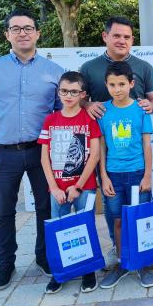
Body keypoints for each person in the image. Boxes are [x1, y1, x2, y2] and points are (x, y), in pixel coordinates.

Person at [0, 8, 64, 290]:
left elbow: (62, 114)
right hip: (2, 153)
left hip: (41, 153)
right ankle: (6, 263)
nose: (23, 33)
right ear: (7, 34)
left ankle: (44, 257)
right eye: (16, 28)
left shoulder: (54, 71)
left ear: (38, 33)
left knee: (46, 207)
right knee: (3, 210)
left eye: (28, 28)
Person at [80, 16, 153, 266]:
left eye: (127, 37)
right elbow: (78, 99)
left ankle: (142, 253)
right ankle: (119, 250)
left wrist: (151, 104)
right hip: (106, 150)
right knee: (113, 210)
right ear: (105, 37)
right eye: (116, 35)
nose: (122, 41)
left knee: (139, 208)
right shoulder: (89, 68)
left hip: (135, 157)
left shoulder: (144, 67)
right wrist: (88, 104)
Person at [37, 71, 101, 294]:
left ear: (82, 94)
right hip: (58, 188)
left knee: (86, 227)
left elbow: (94, 155)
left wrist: (78, 186)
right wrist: (54, 187)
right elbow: (44, 156)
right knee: (59, 231)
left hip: (84, 186)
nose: (68, 95)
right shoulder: (51, 120)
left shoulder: (88, 119)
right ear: (58, 92)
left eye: (74, 91)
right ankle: (60, 273)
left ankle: (88, 271)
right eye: (64, 91)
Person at [96, 61, 153, 289]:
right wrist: (104, 176)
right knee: (118, 221)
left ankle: (141, 264)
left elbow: (147, 145)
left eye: (122, 84)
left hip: (138, 173)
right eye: (112, 85)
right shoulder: (103, 111)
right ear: (106, 85)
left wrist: (148, 175)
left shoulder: (141, 110)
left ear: (131, 84)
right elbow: (101, 146)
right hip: (113, 174)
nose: (117, 89)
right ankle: (122, 263)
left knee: (139, 218)